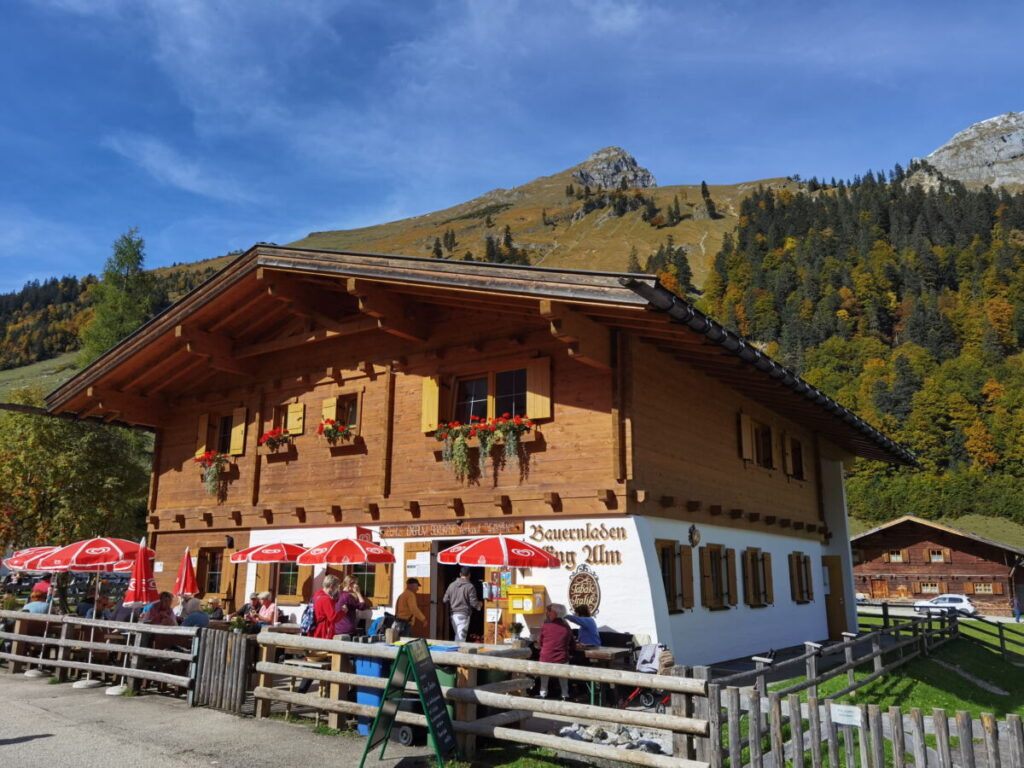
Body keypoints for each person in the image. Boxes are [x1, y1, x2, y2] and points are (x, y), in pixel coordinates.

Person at [536, 604, 575, 700]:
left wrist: (544, 646)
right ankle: (565, 695)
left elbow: (540, 641)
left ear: (556, 613)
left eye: (550, 611)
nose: (548, 613)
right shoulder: (566, 627)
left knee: (544, 676)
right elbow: (572, 644)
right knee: (563, 677)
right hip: (561, 658)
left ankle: (543, 694)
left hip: (546, 657)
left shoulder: (546, 626)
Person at [443, 568, 481, 643]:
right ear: (469, 575)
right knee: (460, 639)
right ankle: (456, 654)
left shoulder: (451, 585)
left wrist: (454, 600)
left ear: (460, 574)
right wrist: (479, 605)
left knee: (458, 636)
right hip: (463, 615)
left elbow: (445, 600)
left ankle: (455, 652)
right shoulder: (470, 586)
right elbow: (473, 603)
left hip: (453, 615)